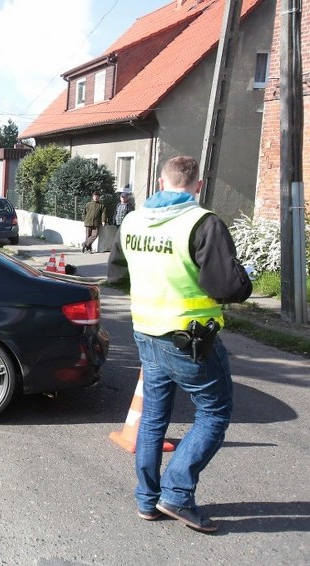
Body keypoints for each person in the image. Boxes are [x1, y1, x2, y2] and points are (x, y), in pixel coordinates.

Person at [107, 155, 252, 533]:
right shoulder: (203, 223)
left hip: (145, 331)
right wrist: (244, 280)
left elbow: (117, 271)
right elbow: (226, 286)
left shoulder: (134, 220)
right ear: (198, 185)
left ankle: (146, 500)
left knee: (153, 418)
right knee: (215, 413)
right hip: (189, 339)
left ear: (160, 182)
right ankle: (177, 494)